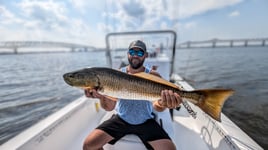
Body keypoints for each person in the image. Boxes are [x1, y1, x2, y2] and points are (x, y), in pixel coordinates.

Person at [83, 40, 182, 150]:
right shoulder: (117, 74)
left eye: (139, 53)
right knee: (88, 145)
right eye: (132, 52)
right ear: (128, 54)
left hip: (146, 120)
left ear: (145, 55)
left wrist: (164, 102)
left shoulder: (153, 75)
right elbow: (109, 107)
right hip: (121, 119)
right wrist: (101, 95)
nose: (135, 55)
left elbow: (157, 107)